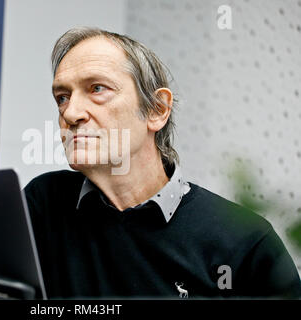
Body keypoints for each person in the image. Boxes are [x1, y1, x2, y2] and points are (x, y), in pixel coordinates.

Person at [24, 27, 301, 299]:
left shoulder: (245, 241)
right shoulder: (43, 204)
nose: (71, 113)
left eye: (97, 88)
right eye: (62, 97)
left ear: (157, 110)